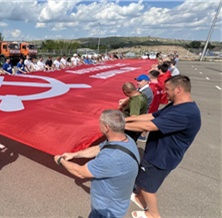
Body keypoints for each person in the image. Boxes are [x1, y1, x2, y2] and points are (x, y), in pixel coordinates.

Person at [125, 75, 201, 218]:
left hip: (161, 156)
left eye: (167, 89)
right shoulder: (178, 105)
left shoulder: (185, 113)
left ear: (178, 89)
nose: (164, 92)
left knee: (148, 187)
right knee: (144, 179)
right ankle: (140, 199)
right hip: (157, 151)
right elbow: (153, 116)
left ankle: (153, 214)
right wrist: (127, 119)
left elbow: (149, 125)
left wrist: (118, 125)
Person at [54, 110, 139, 218]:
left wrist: (60, 161)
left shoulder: (111, 157)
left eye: (100, 123)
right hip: (114, 202)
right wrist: (74, 155)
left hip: (106, 209)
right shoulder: (125, 140)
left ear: (106, 127)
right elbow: (98, 148)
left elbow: (80, 172)